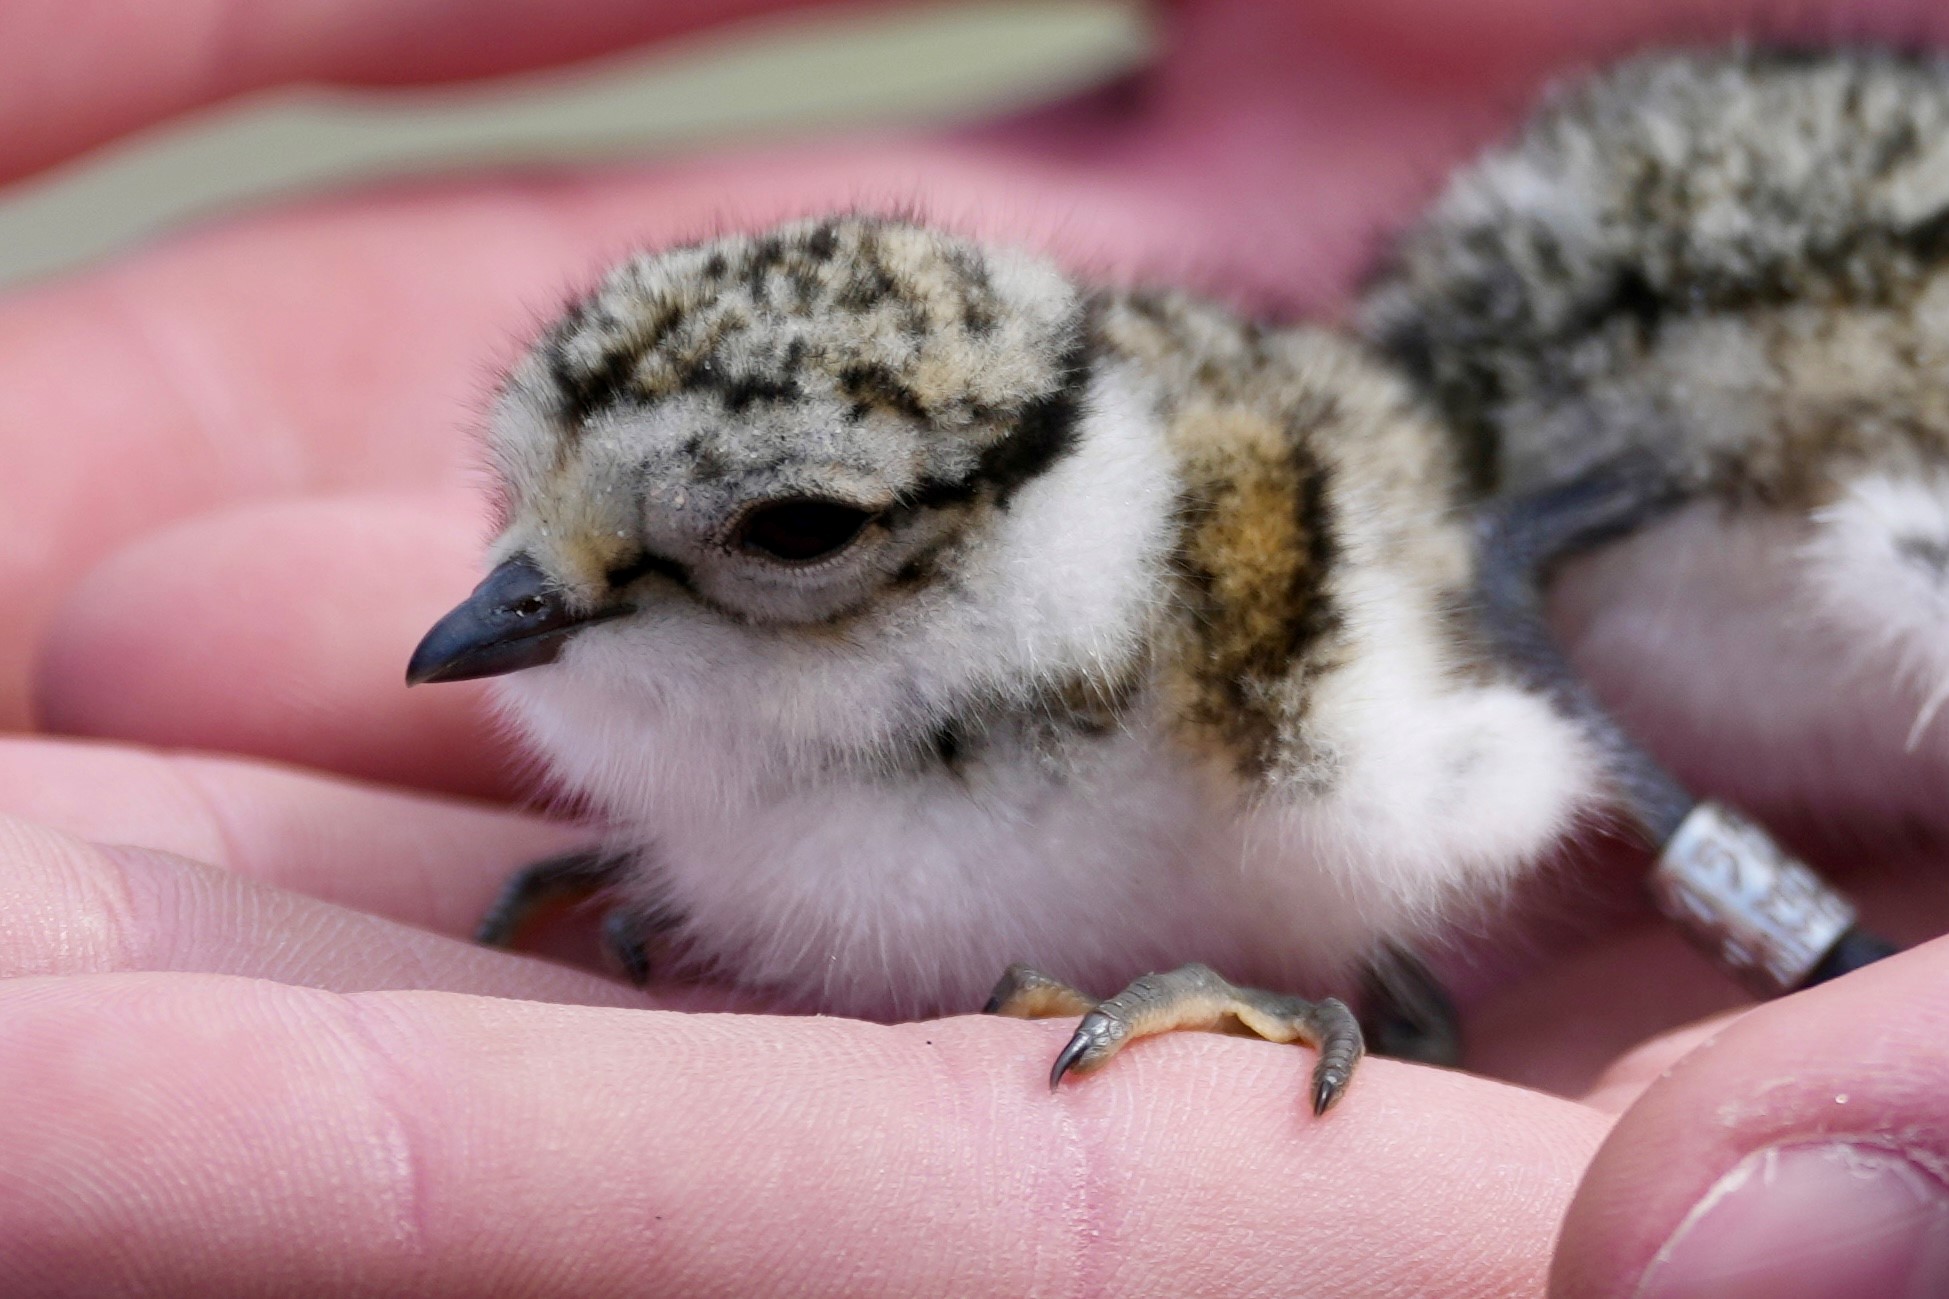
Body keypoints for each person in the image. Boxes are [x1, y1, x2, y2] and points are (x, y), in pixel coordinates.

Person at [2, 1, 1945, 1293]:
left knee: (1331, 815)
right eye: (531, 503)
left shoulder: (1244, 608)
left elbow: (1461, 777)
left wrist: (1316, 966)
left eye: (788, 535)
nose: (512, 605)